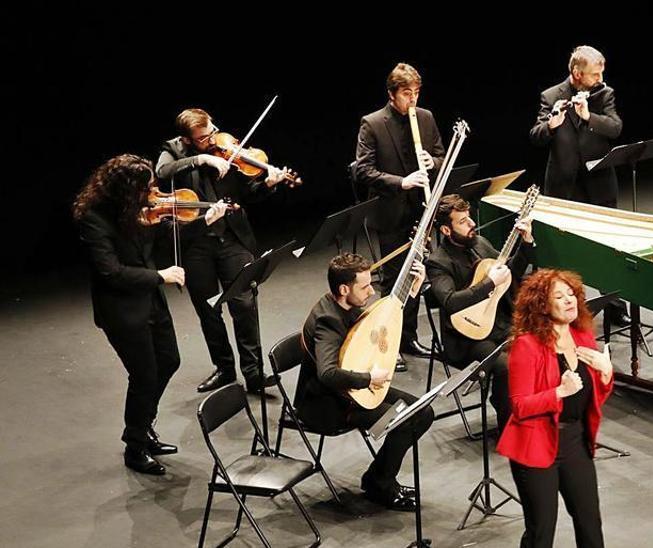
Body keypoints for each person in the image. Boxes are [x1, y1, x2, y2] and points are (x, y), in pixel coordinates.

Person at [74, 153, 230, 474]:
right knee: (144, 376)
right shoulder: (94, 219)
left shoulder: (142, 211)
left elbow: (167, 233)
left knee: (169, 360)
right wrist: (161, 276)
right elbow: (111, 272)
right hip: (122, 311)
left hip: (151, 302)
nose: (154, 194)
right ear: (126, 191)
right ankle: (135, 446)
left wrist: (204, 221)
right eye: (147, 189)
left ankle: (142, 426)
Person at [156, 108, 290, 393]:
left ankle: (254, 374)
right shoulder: (173, 151)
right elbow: (162, 171)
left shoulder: (224, 146)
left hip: (231, 238)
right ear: (188, 140)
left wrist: (267, 184)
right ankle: (225, 369)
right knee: (208, 309)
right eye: (204, 139)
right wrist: (200, 159)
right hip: (196, 244)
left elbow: (247, 194)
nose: (212, 140)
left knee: (244, 304)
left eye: (212, 131)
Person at [294, 253, 434, 511]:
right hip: (329, 405)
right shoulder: (328, 321)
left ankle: (377, 477)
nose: (372, 291)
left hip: (352, 391)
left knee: (422, 411)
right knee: (404, 421)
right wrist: (369, 378)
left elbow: (381, 321)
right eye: (365, 286)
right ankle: (380, 483)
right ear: (344, 289)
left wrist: (412, 293)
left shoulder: (346, 305)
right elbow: (327, 374)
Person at [497, 269, 614, 548]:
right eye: (559, 297)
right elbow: (520, 405)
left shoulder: (583, 336)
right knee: (541, 531)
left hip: (574, 440)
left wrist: (606, 374)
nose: (569, 301)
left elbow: (591, 395)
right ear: (542, 305)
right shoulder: (526, 346)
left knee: (590, 522)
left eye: (571, 294)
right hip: (536, 444)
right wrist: (558, 393)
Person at [353, 62, 446, 368]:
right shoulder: (372, 123)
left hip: (421, 209)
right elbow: (364, 170)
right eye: (407, 94)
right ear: (392, 94)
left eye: (417, 93)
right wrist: (401, 182)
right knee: (394, 279)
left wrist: (431, 163)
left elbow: (440, 154)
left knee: (417, 274)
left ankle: (408, 337)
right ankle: (388, 343)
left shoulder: (426, 117)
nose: (413, 100)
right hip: (390, 212)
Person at [425, 194, 535, 433]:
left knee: (540, 345)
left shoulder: (481, 243)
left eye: (469, 218)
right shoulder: (438, 262)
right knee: (507, 366)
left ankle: (534, 412)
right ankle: (510, 426)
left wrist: (525, 243)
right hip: (468, 337)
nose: (471, 223)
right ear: (446, 229)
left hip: (500, 323)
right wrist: (487, 284)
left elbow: (509, 276)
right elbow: (450, 302)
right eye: (463, 221)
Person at [530, 45, 623, 207]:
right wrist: (551, 126)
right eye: (595, 74)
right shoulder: (551, 96)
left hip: (600, 185)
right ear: (577, 73)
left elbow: (615, 128)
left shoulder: (605, 94)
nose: (600, 79)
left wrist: (588, 117)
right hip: (564, 188)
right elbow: (536, 136)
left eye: (601, 73)